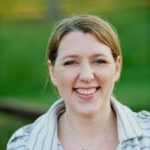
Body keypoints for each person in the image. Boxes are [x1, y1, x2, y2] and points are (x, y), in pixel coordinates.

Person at [7, 15, 150, 150]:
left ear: (117, 68)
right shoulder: (23, 144)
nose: (86, 76)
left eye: (99, 61)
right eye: (71, 63)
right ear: (52, 72)